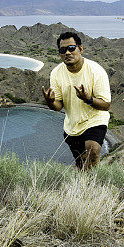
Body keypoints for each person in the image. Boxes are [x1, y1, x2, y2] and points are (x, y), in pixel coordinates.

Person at [42, 31, 111, 169]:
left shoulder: (96, 71)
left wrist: (88, 99)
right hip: (72, 127)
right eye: (63, 50)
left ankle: (92, 187)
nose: (67, 52)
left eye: (71, 48)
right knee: (81, 164)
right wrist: (50, 101)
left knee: (93, 153)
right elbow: (58, 106)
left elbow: (106, 105)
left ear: (80, 49)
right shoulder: (56, 73)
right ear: (60, 53)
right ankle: (83, 186)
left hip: (95, 120)